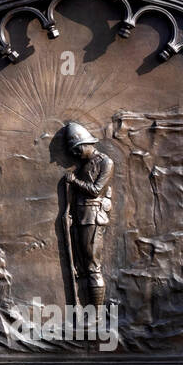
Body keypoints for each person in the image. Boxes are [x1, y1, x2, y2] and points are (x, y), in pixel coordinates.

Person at [62, 121, 113, 307]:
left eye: (77, 149)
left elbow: (95, 190)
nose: (75, 154)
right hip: (80, 218)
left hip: (93, 218)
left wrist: (74, 182)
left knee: (93, 267)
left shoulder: (105, 162)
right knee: (83, 267)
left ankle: (97, 316)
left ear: (84, 144)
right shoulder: (84, 165)